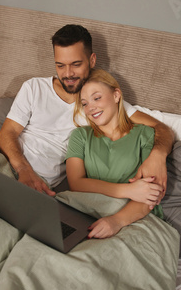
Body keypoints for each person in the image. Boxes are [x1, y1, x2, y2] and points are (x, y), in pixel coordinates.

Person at [0, 24, 174, 199]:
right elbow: (7, 133)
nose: (67, 74)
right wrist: (23, 170)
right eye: (60, 65)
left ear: (92, 60)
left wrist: (157, 156)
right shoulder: (34, 87)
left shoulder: (100, 103)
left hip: (40, 185)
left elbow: (162, 128)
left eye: (76, 64)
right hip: (4, 162)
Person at [66, 69, 164, 238]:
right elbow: (76, 183)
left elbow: (150, 195)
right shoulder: (80, 136)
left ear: (116, 95)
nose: (90, 108)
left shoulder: (144, 135)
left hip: (132, 218)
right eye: (85, 103)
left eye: (97, 98)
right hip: (86, 213)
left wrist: (115, 221)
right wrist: (127, 190)